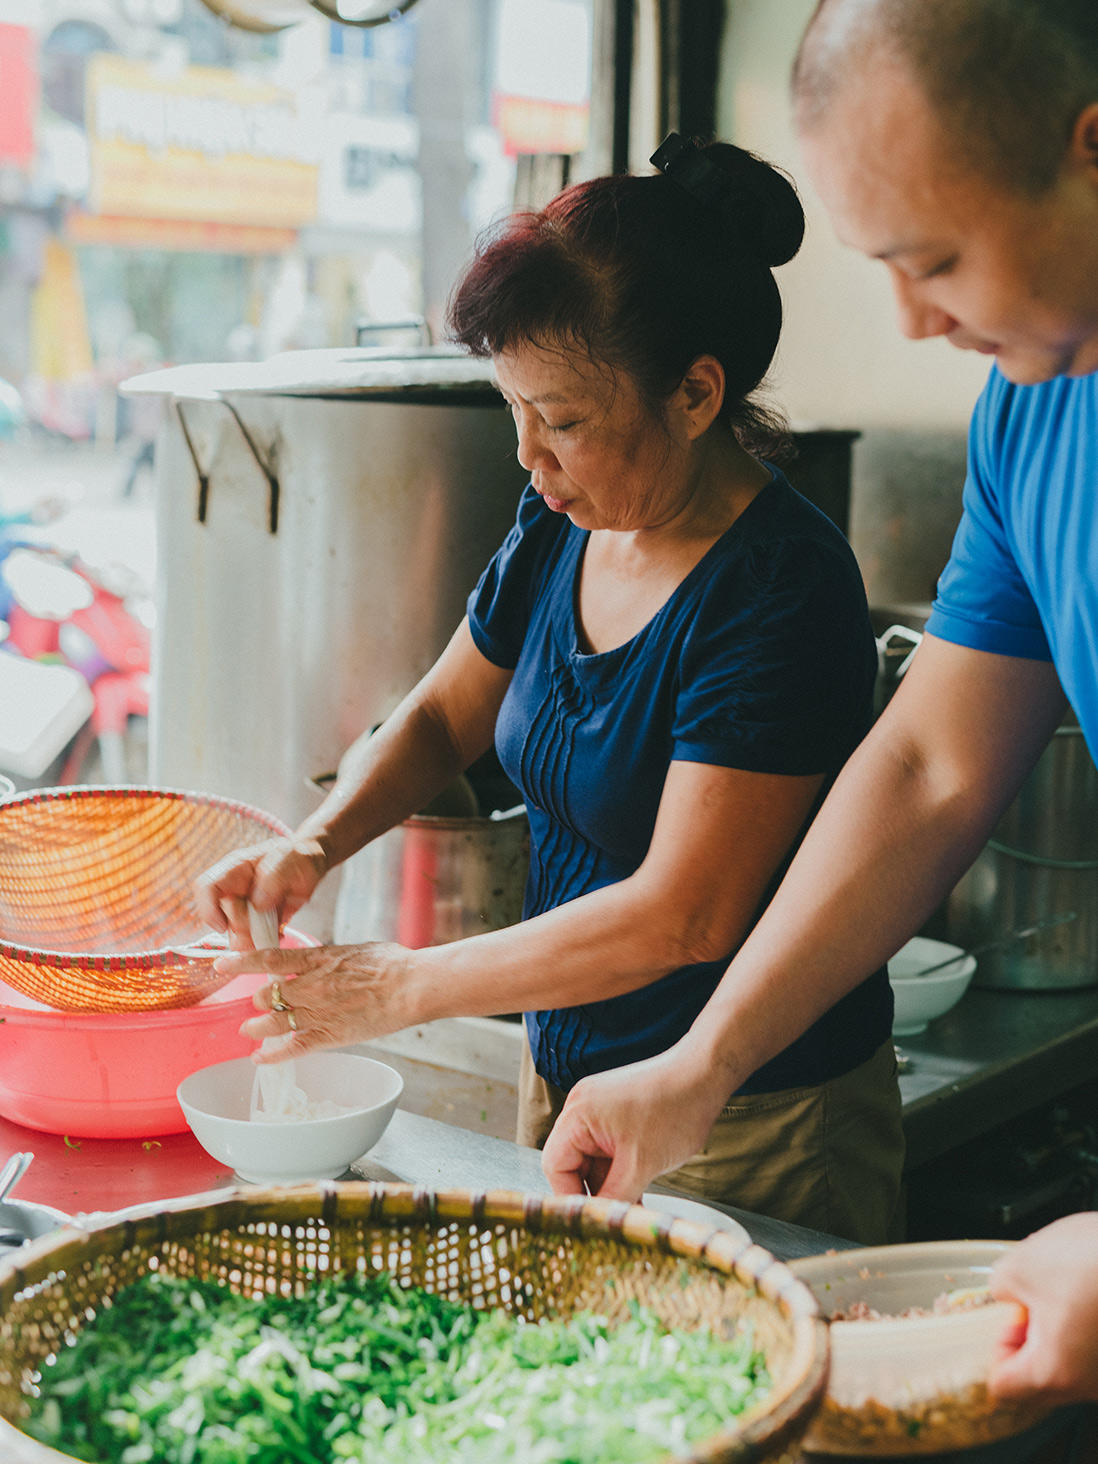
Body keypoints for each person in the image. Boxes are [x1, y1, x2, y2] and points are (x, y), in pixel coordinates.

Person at [536, 0, 1098, 1436]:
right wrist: (697, 1065)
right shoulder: (1028, 414)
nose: (911, 320)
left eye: (936, 259)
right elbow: (923, 761)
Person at [197, 137, 906, 1243]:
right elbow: (441, 714)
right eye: (514, 411)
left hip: (754, 1123)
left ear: (695, 393)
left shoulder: (779, 590)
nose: (531, 458)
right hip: (571, 1079)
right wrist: (317, 843)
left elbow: (687, 913)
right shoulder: (564, 521)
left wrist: (404, 986)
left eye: (565, 421)